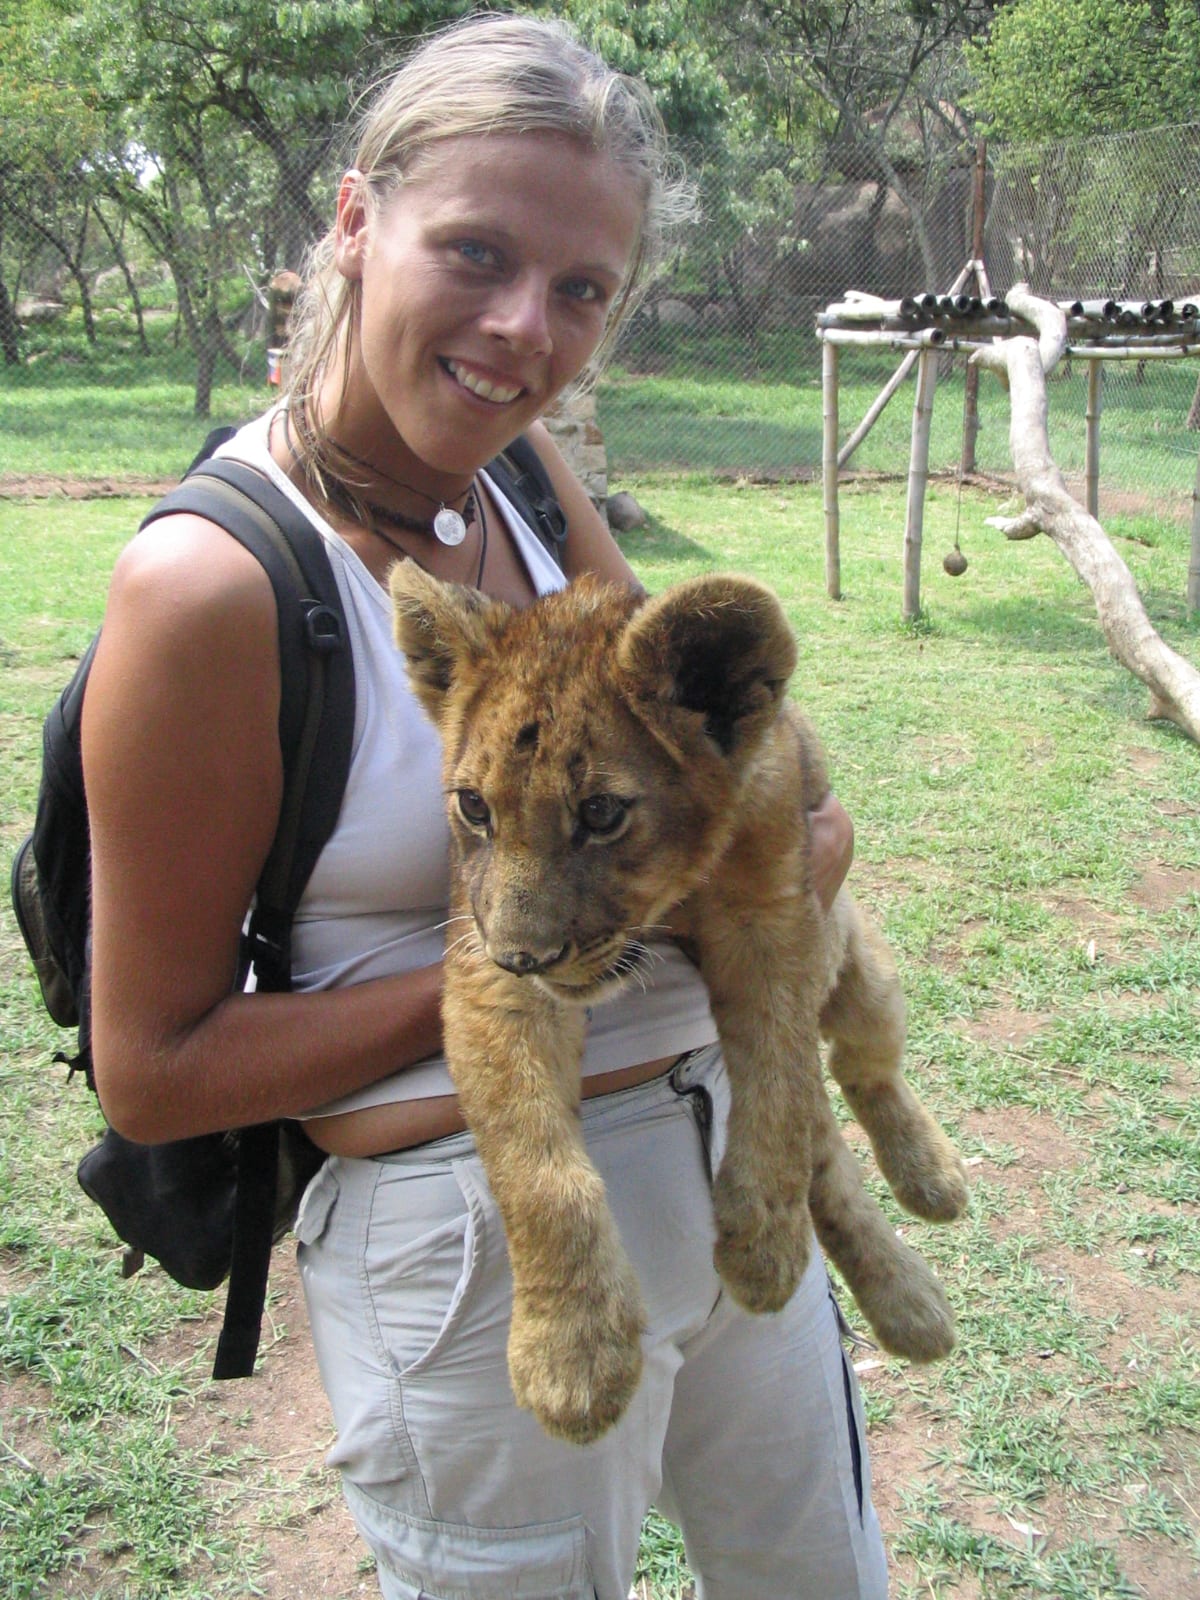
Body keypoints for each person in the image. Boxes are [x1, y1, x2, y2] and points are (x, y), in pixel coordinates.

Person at [81, 14, 888, 1598]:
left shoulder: (520, 484)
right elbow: (156, 1072)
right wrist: (504, 972)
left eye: (582, 287)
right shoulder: (215, 585)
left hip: (732, 1165)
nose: (527, 329)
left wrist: (759, 853)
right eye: (476, 250)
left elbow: (758, 780)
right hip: (478, 1258)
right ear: (356, 221)